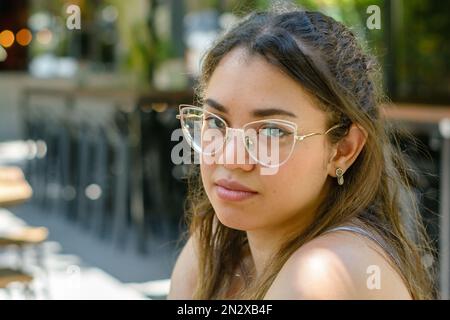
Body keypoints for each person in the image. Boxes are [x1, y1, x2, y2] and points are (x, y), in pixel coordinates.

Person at [168, 8, 436, 299]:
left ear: (343, 150)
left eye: (271, 131)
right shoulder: (215, 250)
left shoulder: (322, 272)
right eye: (216, 122)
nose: (231, 157)